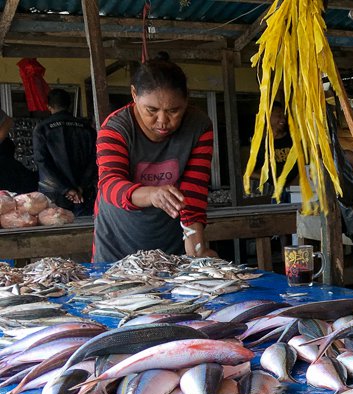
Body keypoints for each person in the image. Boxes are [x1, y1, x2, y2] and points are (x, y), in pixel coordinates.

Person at [93, 55, 217, 262]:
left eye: (174, 111)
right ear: (134, 94)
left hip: (169, 240)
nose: (162, 121)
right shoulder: (115, 128)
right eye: (152, 110)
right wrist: (152, 195)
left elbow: (193, 190)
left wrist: (196, 245)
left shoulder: (199, 126)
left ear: (187, 100)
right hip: (117, 240)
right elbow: (109, 184)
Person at [32, 88, 97, 216]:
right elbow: (95, 159)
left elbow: (42, 162)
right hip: (83, 193)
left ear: (48, 106)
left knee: (56, 230)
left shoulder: (42, 129)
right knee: (86, 229)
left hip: (55, 193)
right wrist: (81, 186)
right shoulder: (87, 128)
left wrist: (66, 189)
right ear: (69, 105)